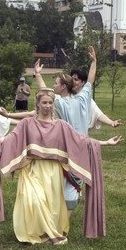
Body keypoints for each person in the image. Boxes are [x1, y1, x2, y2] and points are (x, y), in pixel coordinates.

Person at [0, 88, 122, 244]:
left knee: (51, 206)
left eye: (50, 103)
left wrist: (105, 143)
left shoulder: (61, 126)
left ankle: (45, 233)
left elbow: (81, 141)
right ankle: (48, 235)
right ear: (37, 104)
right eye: (44, 102)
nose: (47, 106)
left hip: (53, 171)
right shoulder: (27, 123)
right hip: (31, 169)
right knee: (33, 200)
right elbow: (11, 139)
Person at [33, 47, 98, 213]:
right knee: (75, 183)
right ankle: (63, 219)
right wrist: (94, 62)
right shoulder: (83, 99)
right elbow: (90, 81)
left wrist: (38, 75)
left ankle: (59, 220)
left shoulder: (60, 103)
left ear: (63, 87)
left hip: (66, 149)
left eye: (56, 83)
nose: (54, 86)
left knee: (63, 183)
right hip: (82, 148)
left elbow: (45, 92)